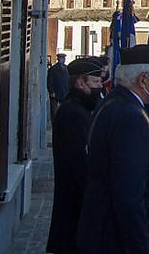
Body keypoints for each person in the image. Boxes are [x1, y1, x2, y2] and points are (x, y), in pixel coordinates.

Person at [77, 46, 149, 254]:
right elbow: (128, 194)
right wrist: (138, 246)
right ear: (143, 79)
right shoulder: (130, 117)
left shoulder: (116, 102)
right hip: (116, 239)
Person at [47, 58, 103, 254]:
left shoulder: (81, 109)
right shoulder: (73, 113)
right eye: (95, 83)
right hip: (74, 211)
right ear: (81, 83)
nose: (99, 88)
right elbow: (78, 166)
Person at [47, 52, 69, 120]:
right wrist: (51, 91)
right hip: (56, 92)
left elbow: (68, 80)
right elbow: (50, 81)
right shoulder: (53, 69)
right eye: (61, 58)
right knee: (54, 112)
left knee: (64, 111)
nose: (63, 60)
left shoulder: (66, 68)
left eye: (64, 58)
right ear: (58, 59)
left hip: (64, 92)